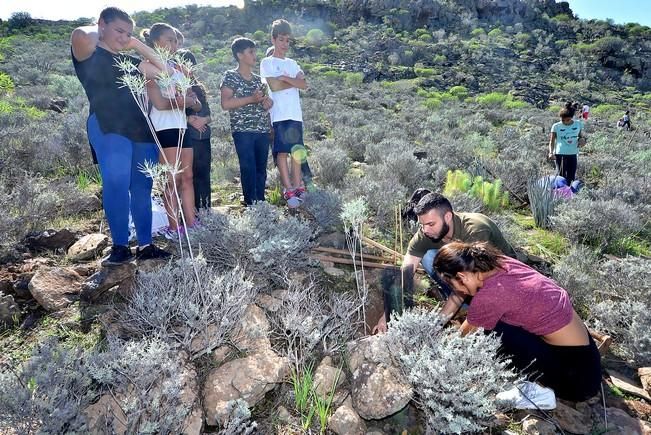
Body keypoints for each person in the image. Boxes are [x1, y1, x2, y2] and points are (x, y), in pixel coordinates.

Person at [434, 241, 602, 402]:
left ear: (462, 275)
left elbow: (464, 335)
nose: (458, 291)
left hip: (576, 381)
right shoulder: (498, 261)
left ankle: (537, 391)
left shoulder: (491, 294)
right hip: (589, 359)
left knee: (492, 331)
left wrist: (441, 348)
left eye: (455, 286)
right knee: (503, 321)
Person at [71, 7, 171, 265]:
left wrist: (135, 42)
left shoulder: (129, 61)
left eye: (128, 32)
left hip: (141, 128)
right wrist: (103, 30)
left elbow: (165, 69)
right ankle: (120, 246)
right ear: (101, 24)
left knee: (143, 187)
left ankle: (146, 245)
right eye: (119, 30)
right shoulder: (89, 53)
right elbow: (81, 34)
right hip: (108, 124)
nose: (123, 37)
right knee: (116, 181)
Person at [372, 191, 516, 333]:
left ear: (447, 217)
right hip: (467, 276)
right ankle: (465, 306)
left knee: (493, 312)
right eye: (422, 225)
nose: (425, 230)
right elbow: (405, 273)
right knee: (428, 256)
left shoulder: (474, 232)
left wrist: (437, 324)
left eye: (430, 224)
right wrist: (387, 315)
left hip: (503, 277)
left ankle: (473, 307)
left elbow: (467, 282)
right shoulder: (426, 233)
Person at [141, 23, 202, 238]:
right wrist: (185, 100)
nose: (174, 44)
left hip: (182, 127)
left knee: (188, 177)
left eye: (175, 40)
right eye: (169, 39)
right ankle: (174, 227)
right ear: (155, 41)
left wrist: (189, 101)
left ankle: (192, 225)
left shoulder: (178, 70)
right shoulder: (148, 67)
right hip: (163, 128)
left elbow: (196, 101)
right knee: (172, 180)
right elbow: (160, 103)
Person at [260, 19, 308, 208]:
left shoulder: (293, 63)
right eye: (281, 40)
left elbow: (304, 85)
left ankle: (298, 187)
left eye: (288, 40)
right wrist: (292, 81)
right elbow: (274, 86)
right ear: (273, 39)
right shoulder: (267, 62)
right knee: (281, 152)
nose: (285, 44)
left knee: (297, 151)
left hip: (295, 114)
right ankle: (288, 189)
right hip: (279, 115)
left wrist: (285, 78)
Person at [220, 37, 273, 205]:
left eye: (254, 52)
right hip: (242, 131)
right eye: (251, 52)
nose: (254, 55)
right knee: (248, 167)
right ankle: (251, 203)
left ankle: (261, 203)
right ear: (240, 55)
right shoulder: (230, 76)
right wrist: (251, 98)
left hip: (262, 130)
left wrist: (266, 103)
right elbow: (225, 103)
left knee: (261, 168)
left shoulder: (259, 79)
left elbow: (263, 103)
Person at [187, 82, 212, 210]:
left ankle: (207, 207)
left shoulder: (199, 89)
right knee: (193, 175)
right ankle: (195, 209)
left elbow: (209, 114)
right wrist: (189, 120)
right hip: (190, 139)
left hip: (205, 139)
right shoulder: (178, 86)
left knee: (205, 174)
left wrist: (204, 120)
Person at [548, 101, 586, 185]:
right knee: (561, 177)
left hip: (573, 153)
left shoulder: (578, 124)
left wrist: (582, 140)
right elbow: (552, 141)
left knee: (571, 176)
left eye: (567, 120)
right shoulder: (556, 126)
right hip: (560, 153)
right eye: (563, 120)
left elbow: (581, 136)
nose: (565, 122)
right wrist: (551, 152)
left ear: (572, 117)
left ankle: (569, 194)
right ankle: (560, 194)